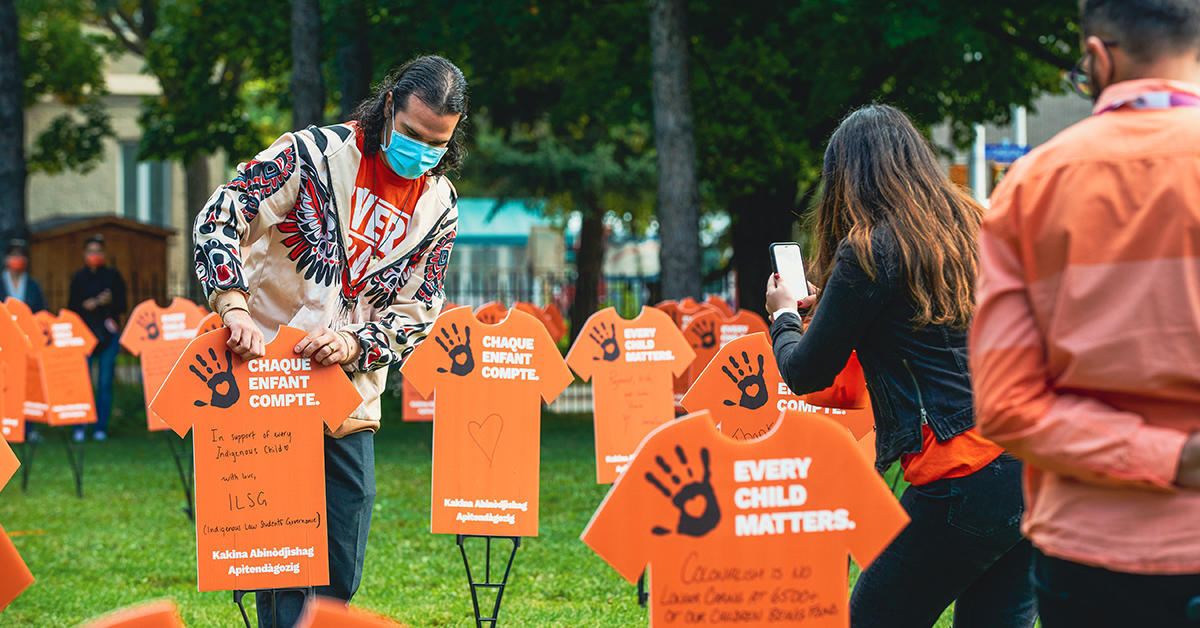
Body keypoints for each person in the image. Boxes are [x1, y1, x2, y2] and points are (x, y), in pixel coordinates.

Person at [193, 55, 464, 627]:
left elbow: (418, 313)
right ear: (389, 105)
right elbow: (220, 216)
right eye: (413, 134)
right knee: (282, 558)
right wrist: (232, 303)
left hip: (349, 395)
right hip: (264, 378)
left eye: (437, 143)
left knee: (340, 558)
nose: (421, 151)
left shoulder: (440, 204)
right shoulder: (310, 156)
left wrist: (355, 343)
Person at [971, 1, 1200, 625]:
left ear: (1098, 57)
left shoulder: (1028, 187)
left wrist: (1169, 457)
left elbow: (1005, 407)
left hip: (1090, 554)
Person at [766, 105, 1035, 627]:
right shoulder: (974, 226)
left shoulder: (868, 250)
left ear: (847, 177)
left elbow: (805, 372)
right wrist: (830, 310)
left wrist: (783, 318)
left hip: (964, 471)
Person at [68, 234, 127, 442]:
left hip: (107, 338)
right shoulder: (78, 278)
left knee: (104, 384)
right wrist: (89, 304)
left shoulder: (113, 276)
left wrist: (109, 302)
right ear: (85, 254)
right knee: (82, 383)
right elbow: (71, 309)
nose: (95, 255)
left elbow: (123, 306)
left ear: (104, 254)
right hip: (84, 337)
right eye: (91, 252)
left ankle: (100, 427)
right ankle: (80, 426)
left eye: (98, 252)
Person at [0, 240, 46, 312]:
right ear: (6, 259)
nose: (18, 258)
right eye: (14, 254)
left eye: (21, 255)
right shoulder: (1, 283)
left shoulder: (33, 285)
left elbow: (42, 311)